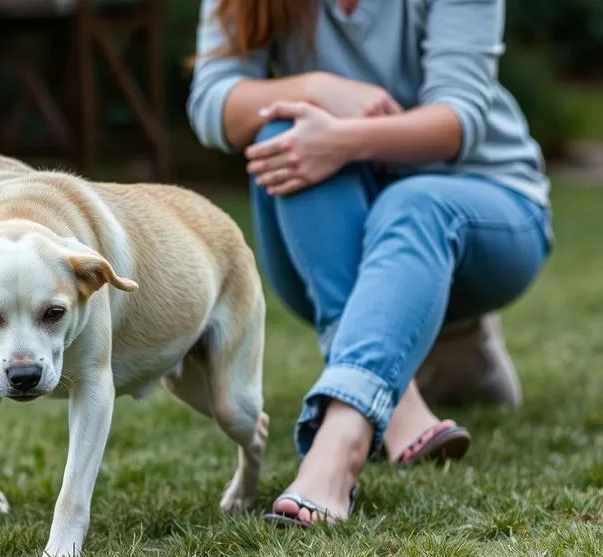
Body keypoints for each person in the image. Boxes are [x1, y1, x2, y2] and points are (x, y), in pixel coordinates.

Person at [186, 0, 553, 526]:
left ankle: (341, 448)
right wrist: (311, 87)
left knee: (412, 204)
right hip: (326, 234)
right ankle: (399, 396)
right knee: (284, 136)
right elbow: (210, 103)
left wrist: (344, 140)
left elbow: (460, 118)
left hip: (490, 209)